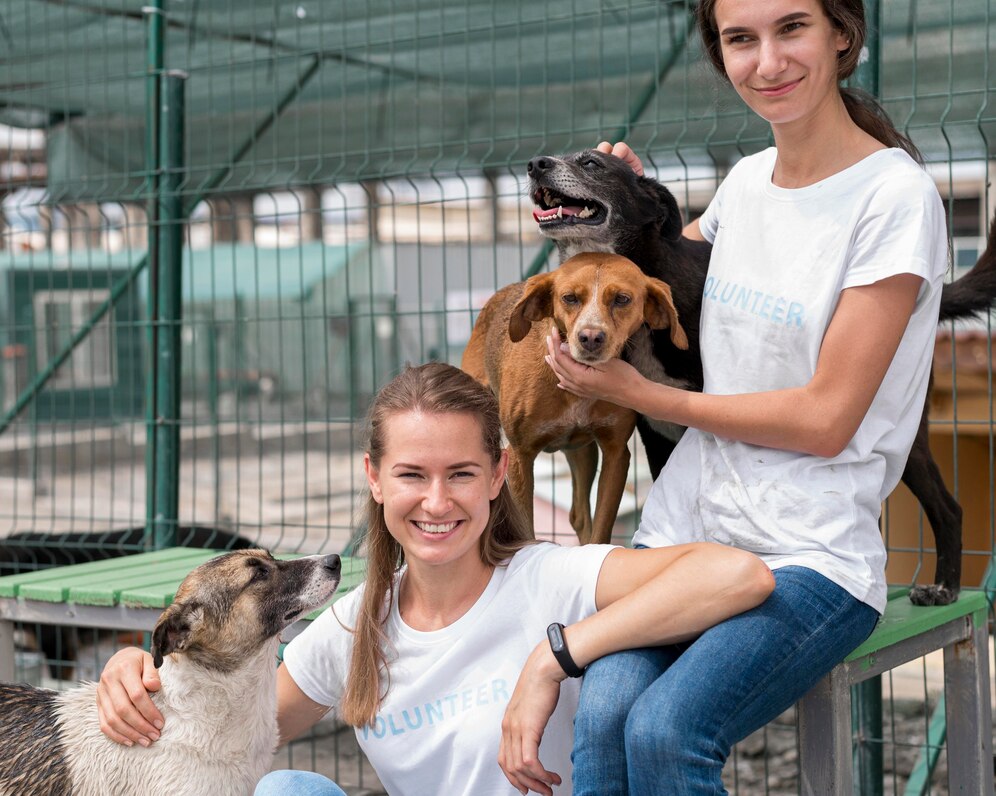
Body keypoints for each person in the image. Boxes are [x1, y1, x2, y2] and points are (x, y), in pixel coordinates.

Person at [532, 0, 949, 793]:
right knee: (604, 721)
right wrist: (622, 202)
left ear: (842, 32)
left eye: (791, 28)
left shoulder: (893, 199)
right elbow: (657, 271)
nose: (767, 62)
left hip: (812, 551)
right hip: (687, 529)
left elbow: (826, 420)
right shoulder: (748, 182)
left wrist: (642, 394)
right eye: (740, 39)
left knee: (665, 731)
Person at [95, 362, 774, 795]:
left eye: (461, 474)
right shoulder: (355, 624)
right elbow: (223, 723)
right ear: (374, 478)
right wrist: (139, 672)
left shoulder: (548, 580)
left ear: (500, 474)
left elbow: (737, 574)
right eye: (412, 475)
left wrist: (553, 657)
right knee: (286, 792)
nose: (437, 502)